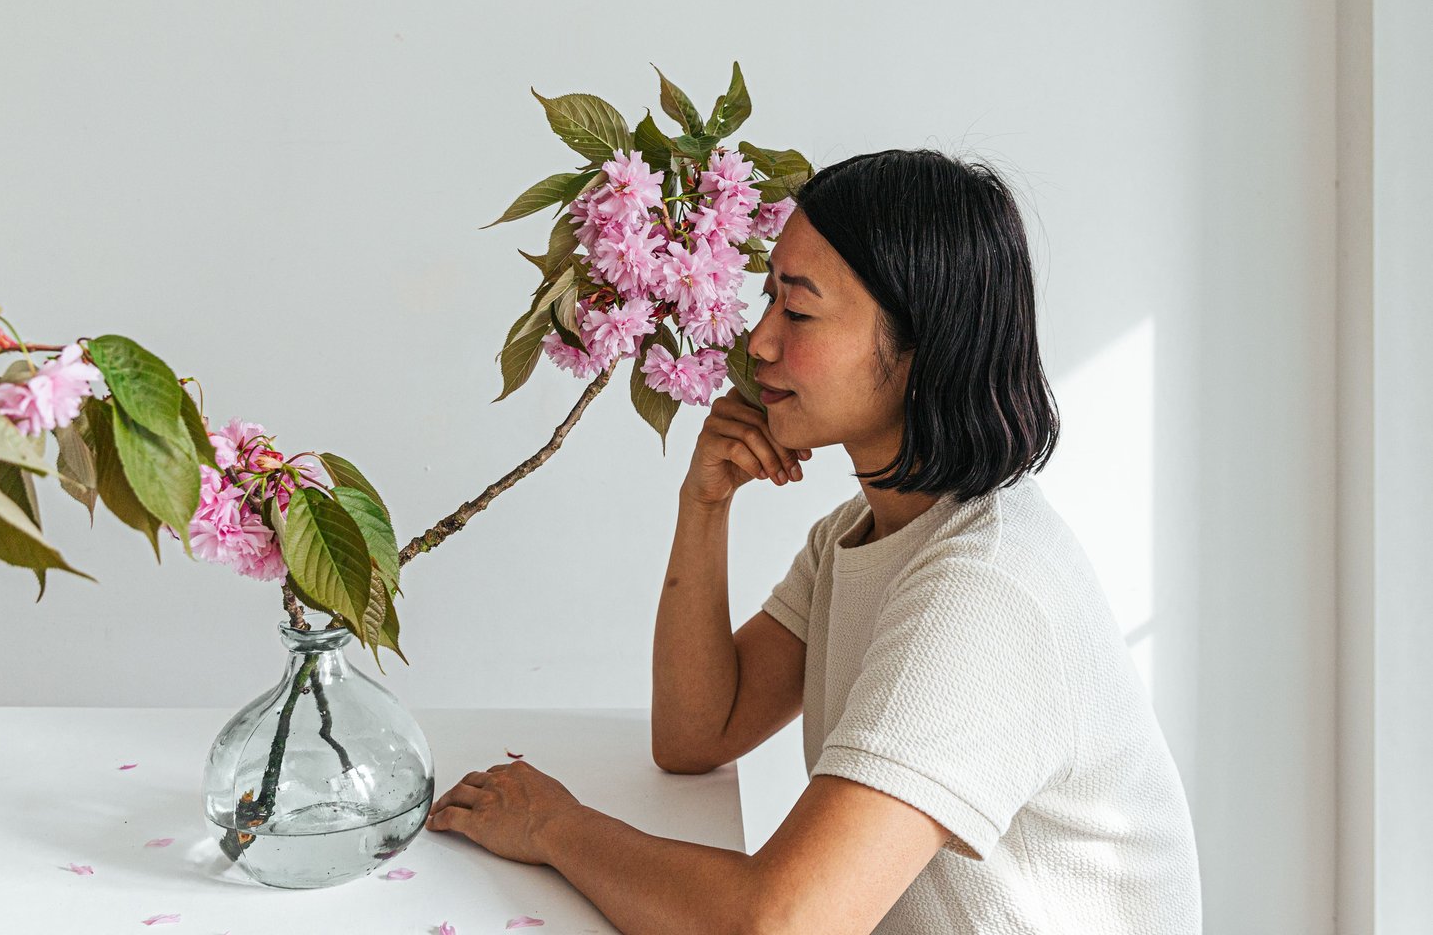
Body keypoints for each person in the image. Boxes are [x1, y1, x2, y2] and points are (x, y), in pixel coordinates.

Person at [425, 149, 1204, 934]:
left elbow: (781, 923)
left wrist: (554, 826)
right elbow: (698, 733)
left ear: (919, 344)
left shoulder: (985, 592)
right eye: (767, 300)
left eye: (797, 312)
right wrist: (705, 505)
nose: (757, 343)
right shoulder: (862, 536)